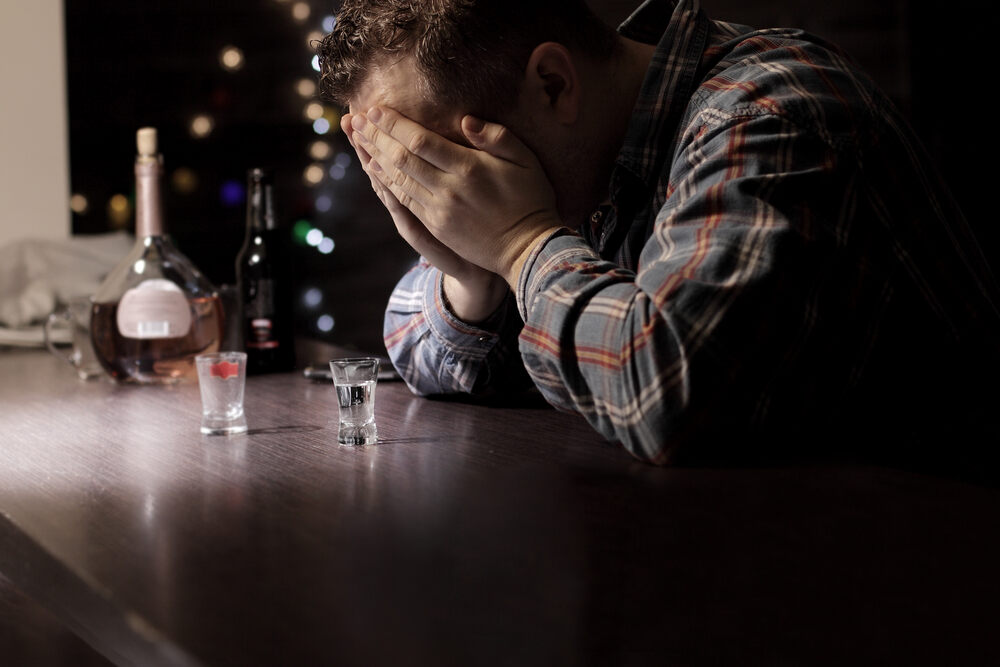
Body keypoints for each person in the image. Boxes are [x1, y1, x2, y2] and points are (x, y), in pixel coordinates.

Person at [318, 0, 1000, 464]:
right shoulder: (589, 162)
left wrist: (520, 244)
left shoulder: (773, 112)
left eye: (442, 161)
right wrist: (471, 276)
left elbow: (665, 389)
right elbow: (410, 340)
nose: (442, 194)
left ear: (553, 84)